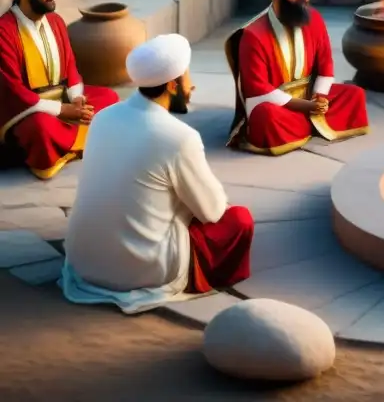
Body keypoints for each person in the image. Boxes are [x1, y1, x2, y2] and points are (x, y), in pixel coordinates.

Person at [61, 33, 255, 314]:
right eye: (187, 80)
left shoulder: (103, 117)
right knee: (239, 220)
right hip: (142, 270)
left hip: (85, 261)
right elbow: (212, 211)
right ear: (173, 85)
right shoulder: (179, 137)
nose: (192, 87)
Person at [225, 0, 369, 155]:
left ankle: (306, 123)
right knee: (266, 117)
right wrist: (304, 107)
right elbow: (257, 88)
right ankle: (309, 123)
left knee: (355, 94)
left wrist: (320, 98)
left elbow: (325, 66)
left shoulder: (315, 19)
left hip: (309, 95)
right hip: (277, 104)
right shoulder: (253, 34)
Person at [0, 0, 119, 180]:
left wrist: (77, 99)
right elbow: (12, 90)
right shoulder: (4, 30)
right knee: (41, 128)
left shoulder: (55, 21)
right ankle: (75, 144)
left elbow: (71, 67)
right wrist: (63, 110)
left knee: (109, 99)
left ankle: (67, 145)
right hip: (25, 109)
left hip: (63, 100)